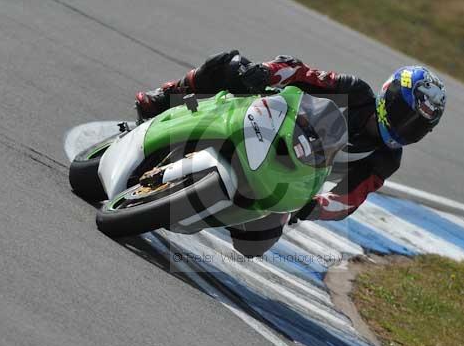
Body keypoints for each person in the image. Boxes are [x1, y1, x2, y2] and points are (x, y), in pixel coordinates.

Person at [135, 50, 446, 256]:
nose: (406, 128)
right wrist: (266, 73)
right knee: (230, 63)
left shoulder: (385, 159)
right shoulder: (354, 91)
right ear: (388, 96)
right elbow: (299, 72)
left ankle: (200, 206)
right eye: (405, 115)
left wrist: (311, 207)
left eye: (417, 126)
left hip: (287, 178)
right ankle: (165, 97)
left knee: (254, 245)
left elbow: (347, 201)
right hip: (264, 123)